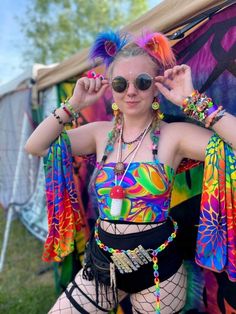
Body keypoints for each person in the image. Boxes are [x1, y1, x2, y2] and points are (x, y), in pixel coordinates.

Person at [25, 31, 236, 314]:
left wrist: (193, 100)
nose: (131, 91)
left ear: (157, 85)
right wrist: (73, 105)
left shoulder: (175, 136)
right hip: (102, 264)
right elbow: (36, 146)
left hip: (159, 274)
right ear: (111, 88)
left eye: (143, 82)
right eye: (121, 83)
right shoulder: (99, 134)